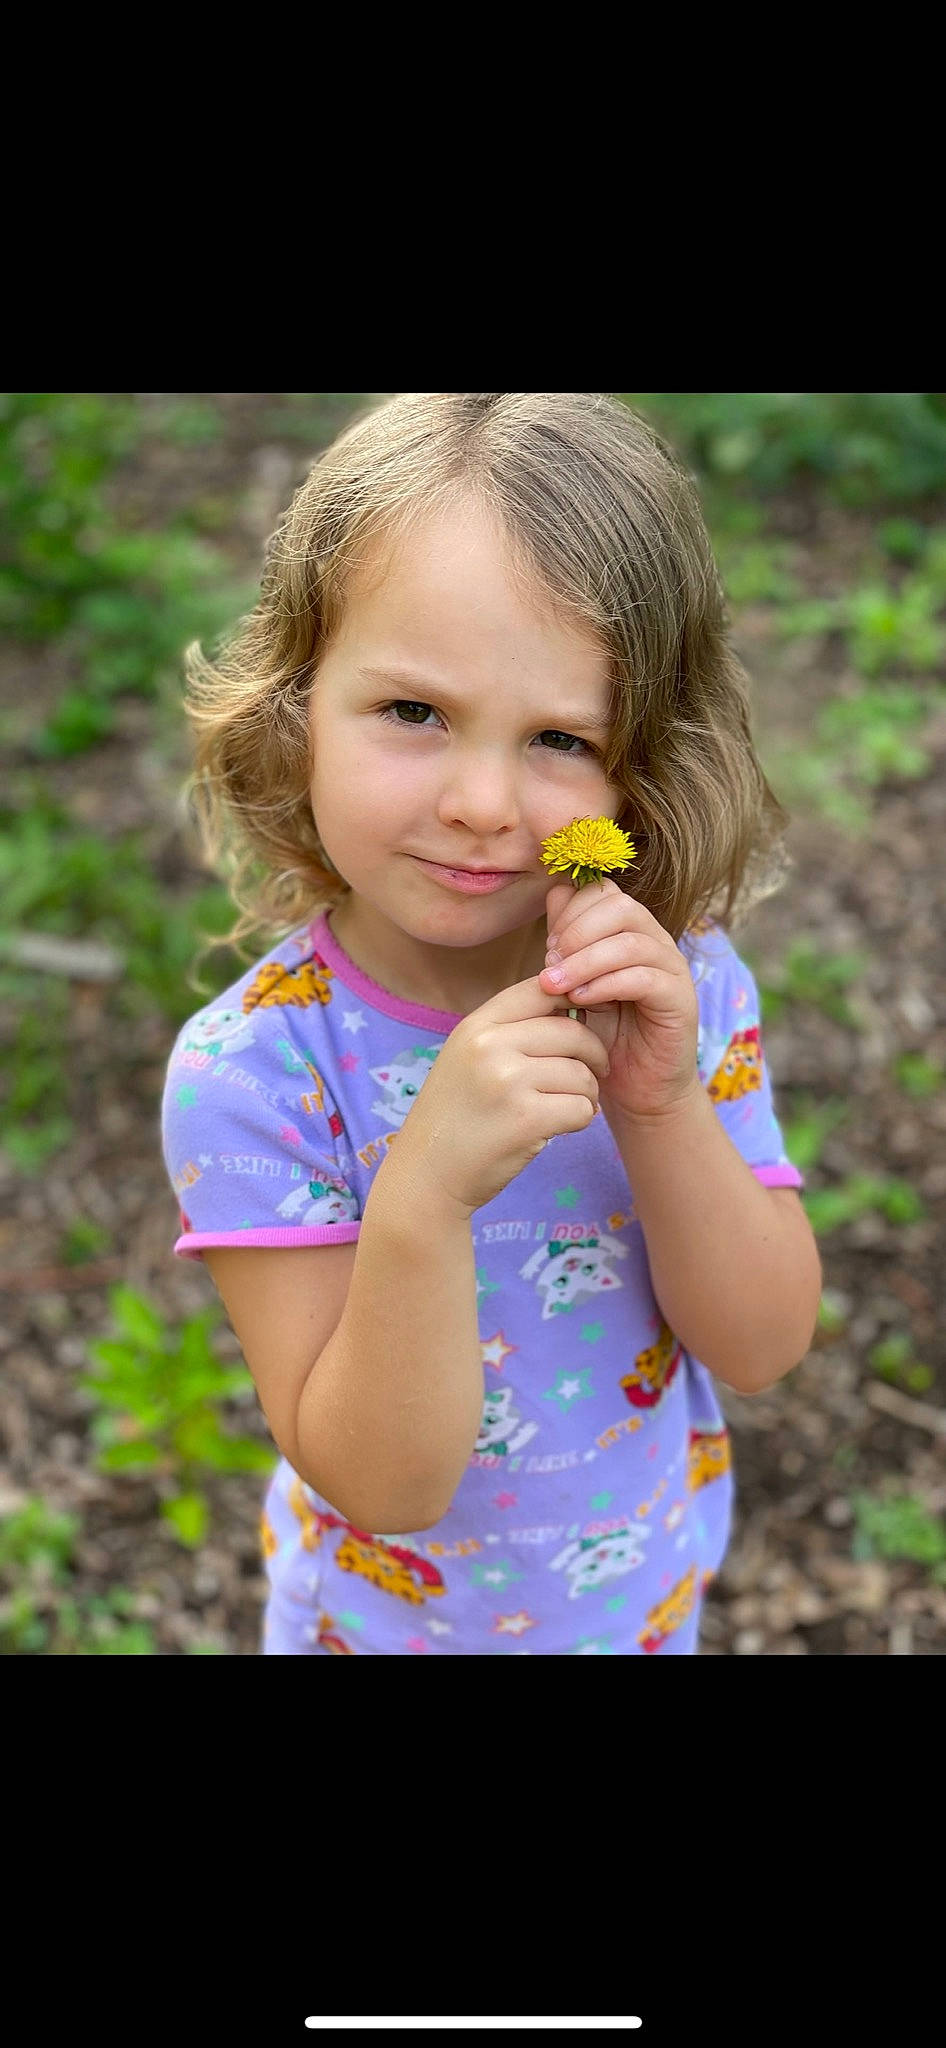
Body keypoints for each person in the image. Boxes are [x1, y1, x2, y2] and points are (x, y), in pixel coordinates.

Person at [161, 392, 822, 1655]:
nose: (481, 803)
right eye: (414, 711)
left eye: (562, 737)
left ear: (642, 765)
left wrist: (661, 1104)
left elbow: (761, 1341)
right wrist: (422, 1196)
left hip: (641, 1608)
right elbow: (384, 1483)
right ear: (299, 704)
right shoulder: (257, 1072)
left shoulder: (675, 986)